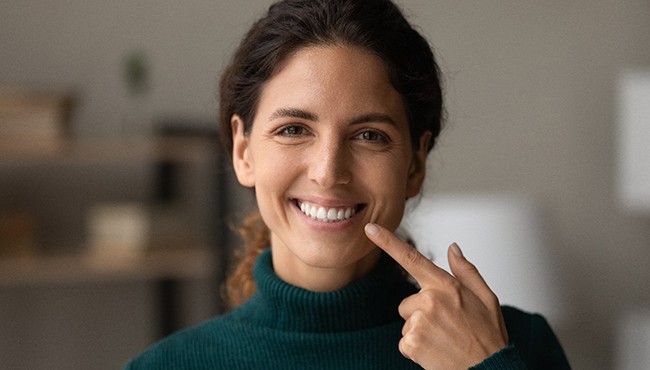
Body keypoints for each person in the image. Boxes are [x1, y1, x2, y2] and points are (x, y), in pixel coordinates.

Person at [125, 0, 571, 369]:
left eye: (370, 136)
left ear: (415, 163)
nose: (328, 171)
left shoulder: (518, 348)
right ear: (244, 151)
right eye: (294, 129)